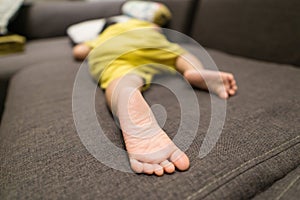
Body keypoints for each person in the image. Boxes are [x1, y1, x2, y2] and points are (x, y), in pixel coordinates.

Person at [73, 18, 237, 176]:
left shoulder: (102, 37)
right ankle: (195, 70)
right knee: (178, 55)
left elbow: (79, 51)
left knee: (120, 78)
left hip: (110, 50)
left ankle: (126, 93)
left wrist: (91, 45)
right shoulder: (140, 24)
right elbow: (156, 29)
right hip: (146, 40)